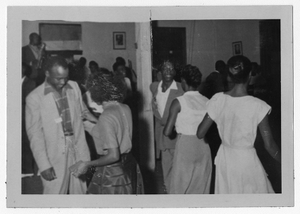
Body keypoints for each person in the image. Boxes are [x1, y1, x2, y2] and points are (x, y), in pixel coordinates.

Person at [197, 55, 281, 194]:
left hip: (225, 159)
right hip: (246, 161)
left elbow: (200, 133)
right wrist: (286, 163)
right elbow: (270, 146)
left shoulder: (218, 99)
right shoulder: (258, 106)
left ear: (229, 76)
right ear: (250, 75)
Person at [26, 56, 97, 194]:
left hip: (78, 150)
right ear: (47, 73)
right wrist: (44, 165)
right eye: (58, 78)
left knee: (80, 195)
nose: (63, 81)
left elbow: (83, 116)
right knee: (55, 196)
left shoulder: (74, 87)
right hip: (54, 155)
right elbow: (35, 135)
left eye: (66, 77)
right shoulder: (34, 98)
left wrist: (102, 130)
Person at [69, 71, 144, 194]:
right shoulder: (125, 107)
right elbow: (116, 129)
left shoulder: (106, 116)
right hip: (129, 165)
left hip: (112, 171)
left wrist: (87, 164)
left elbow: (113, 155)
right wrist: (94, 119)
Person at [163, 65, 212, 194]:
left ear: (183, 82)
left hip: (185, 145)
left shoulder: (178, 101)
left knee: (180, 184)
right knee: (200, 184)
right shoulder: (207, 101)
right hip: (203, 145)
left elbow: (167, 132)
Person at [150, 60, 184, 193]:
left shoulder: (181, 88)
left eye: (171, 69)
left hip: (176, 132)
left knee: (178, 165)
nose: (168, 72)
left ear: (175, 72)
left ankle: (178, 191)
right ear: (160, 72)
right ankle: (169, 190)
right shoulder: (154, 87)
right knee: (166, 165)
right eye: (165, 69)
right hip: (161, 133)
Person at [22, 62, 37, 177]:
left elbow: (30, 103)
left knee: (26, 142)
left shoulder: (31, 83)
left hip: (26, 116)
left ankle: (28, 171)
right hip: (15, 116)